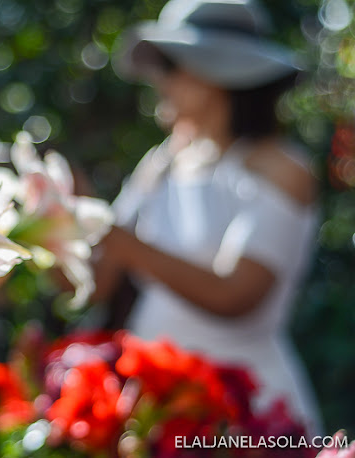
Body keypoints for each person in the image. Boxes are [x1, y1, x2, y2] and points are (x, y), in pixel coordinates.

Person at [94, 0, 323, 435]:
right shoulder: (159, 162)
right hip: (159, 409)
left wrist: (127, 246)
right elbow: (98, 282)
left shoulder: (282, 169)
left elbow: (236, 295)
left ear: (215, 75)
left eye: (169, 67)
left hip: (247, 415)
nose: (158, 82)